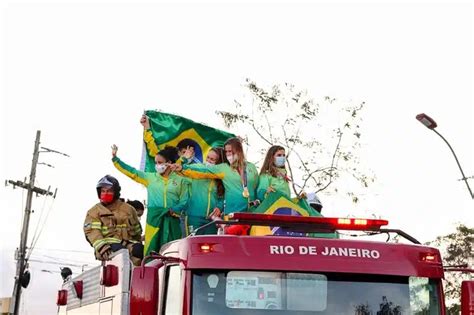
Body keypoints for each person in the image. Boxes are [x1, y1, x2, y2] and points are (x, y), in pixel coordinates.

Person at [111, 144, 189, 255]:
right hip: (154, 220)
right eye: (156, 163)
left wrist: (174, 210)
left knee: (172, 252)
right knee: (151, 251)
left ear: (170, 163)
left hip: (173, 221)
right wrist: (116, 159)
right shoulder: (150, 178)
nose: (157, 165)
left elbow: (185, 200)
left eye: (160, 163)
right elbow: (132, 172)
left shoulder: (181, 180)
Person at [173, 137, 259, 214]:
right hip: (231, 215)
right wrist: (182, 168)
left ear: (239, 150)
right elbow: (202, 170)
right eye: (226, 152)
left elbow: (256, 188)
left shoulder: (252, 167)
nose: (228, 154)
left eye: (230, 151)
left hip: (251, 214)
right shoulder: (223, 168)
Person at [83, 175, 143, 266]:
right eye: (103, 191)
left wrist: (138, 244)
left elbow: (137, 232)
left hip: (128, 245)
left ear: (116, 192)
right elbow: (92, 232)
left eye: (109, 191)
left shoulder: (129, 209)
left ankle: (136, 275)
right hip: (107, 247)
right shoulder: (94, 212)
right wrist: (102, 247)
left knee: (140, 251)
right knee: (120, 253)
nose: (105, 193)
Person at [182, 147, 225, 235]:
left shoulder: (221, 178)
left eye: (212, 159)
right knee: (193, 246)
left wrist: (219, 208)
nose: (208, 161)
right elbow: (180, 169)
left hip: (211, 220)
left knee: (211, 247)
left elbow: (222, 197)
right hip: (194, 218)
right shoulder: (197, 169)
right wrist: (185, 158)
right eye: (208, 158)